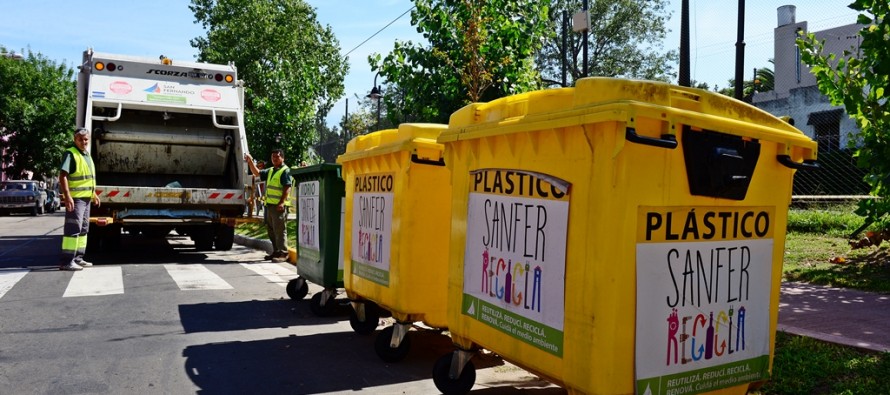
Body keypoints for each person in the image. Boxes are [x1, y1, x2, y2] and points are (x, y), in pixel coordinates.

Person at [58, 127, 100, 271]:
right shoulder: (70, 153)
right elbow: (63, 176)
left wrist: (94, 194)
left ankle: (78, 258)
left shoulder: (86, 155)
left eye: (86, 139)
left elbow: (87, 179)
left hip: (86, 199)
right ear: (74, 140)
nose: (83, 142)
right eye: (80, 139)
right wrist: (67, 196)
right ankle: (66, 261)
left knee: (83, 229)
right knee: (73, 229)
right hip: (76, 199)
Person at [245, 149, 291, 263]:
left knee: (279, 230)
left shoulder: (285, 171)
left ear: (282, 158)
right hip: (269, 205)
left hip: (278, 206)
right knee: (271, 231)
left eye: (277, 157)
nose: (274, 159)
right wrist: (250, 162)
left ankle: (283, 253)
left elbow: (287, 187)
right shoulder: (271, 170)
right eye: (272, 157)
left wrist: (281, 202)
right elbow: (257, 173)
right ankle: (276, 251)